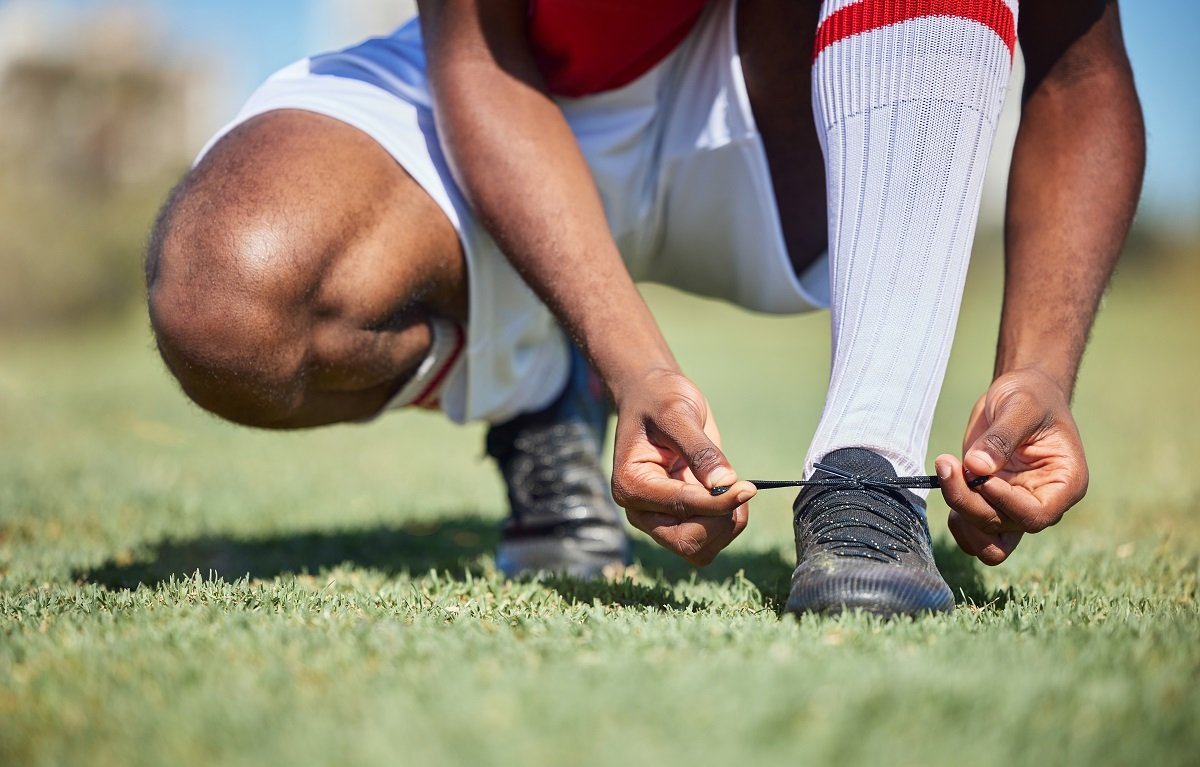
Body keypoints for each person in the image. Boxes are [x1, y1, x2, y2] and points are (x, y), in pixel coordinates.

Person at [144, 0, 1144, 616]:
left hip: (799, 92)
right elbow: (477, 52)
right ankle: (548, 383)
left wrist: (1042, 365)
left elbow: (1081, 66)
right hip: (521, 72)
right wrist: (630, 364)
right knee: (226, 297)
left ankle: (867, 466)